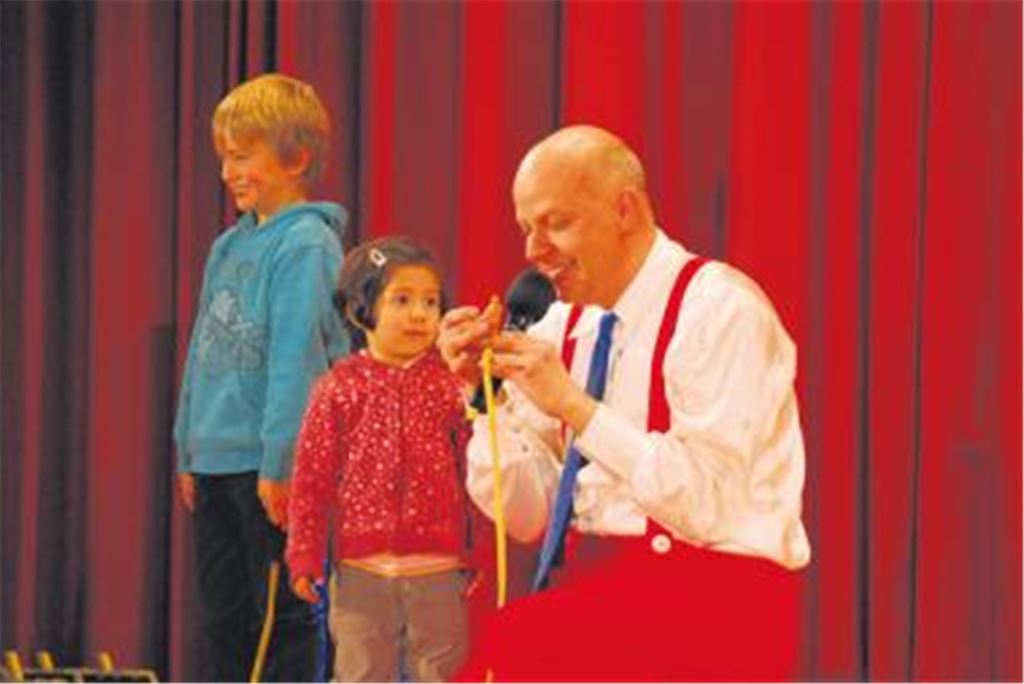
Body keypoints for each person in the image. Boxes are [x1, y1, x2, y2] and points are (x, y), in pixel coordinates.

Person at [438, 124, 811, 681]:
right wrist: (481, 397)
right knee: (505, 652)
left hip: (716, 602)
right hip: (599, 595)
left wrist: (576, 408)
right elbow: (527, 517)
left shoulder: (721, 311)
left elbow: (706, 504)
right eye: (525, 229)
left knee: (516, 651)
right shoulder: (561, 322)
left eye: (556, 223)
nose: (534, 252)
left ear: (626, 211)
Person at [173, 73, 348, 682]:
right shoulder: (227, 247)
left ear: (295, 158)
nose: (227, 172)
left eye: (241, 157)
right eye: (224, 158)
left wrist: (283, 463)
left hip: (269, 470)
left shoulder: (305, 243)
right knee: (225, 619)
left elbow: (296, 359)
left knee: (282, 616)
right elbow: (201, 351)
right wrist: (188, 447)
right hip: (217, 462)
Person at [285, 237, 478, 682]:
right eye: (402, 300)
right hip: (360, 572)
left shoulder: (452, 384)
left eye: (430, 302)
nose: (419, 314)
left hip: (440, 569)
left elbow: (476, 470)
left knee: (443, 671)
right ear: (361, 308)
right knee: (360, 672)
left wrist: (478, 550)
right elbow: (311, 480)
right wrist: (305, 554)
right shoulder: (337, 387)